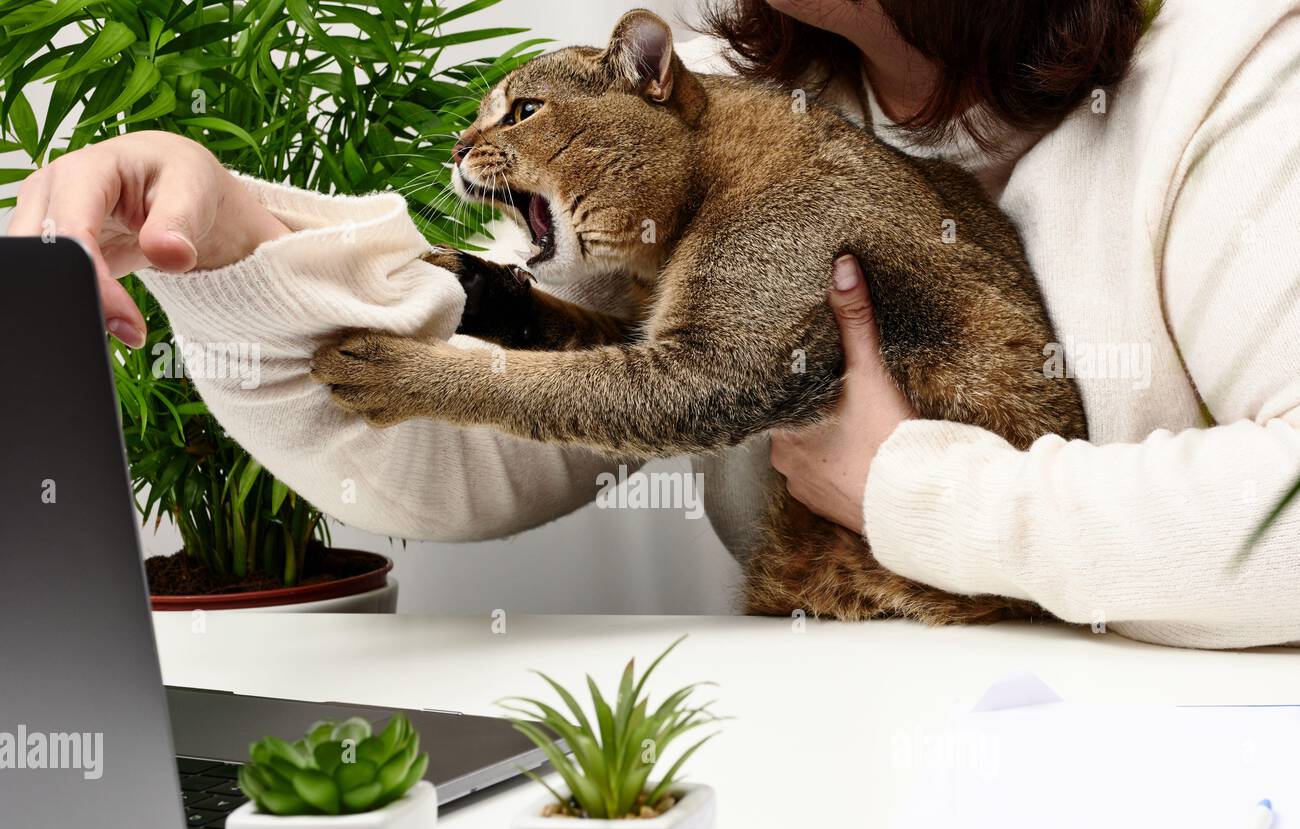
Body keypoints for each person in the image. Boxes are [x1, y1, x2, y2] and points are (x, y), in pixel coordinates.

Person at [10, 0, 1300, 648]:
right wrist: (231, 245)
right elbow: (477, 447)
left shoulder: (1235, 74)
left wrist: (910, 489)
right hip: (821, 764)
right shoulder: (729, 121)